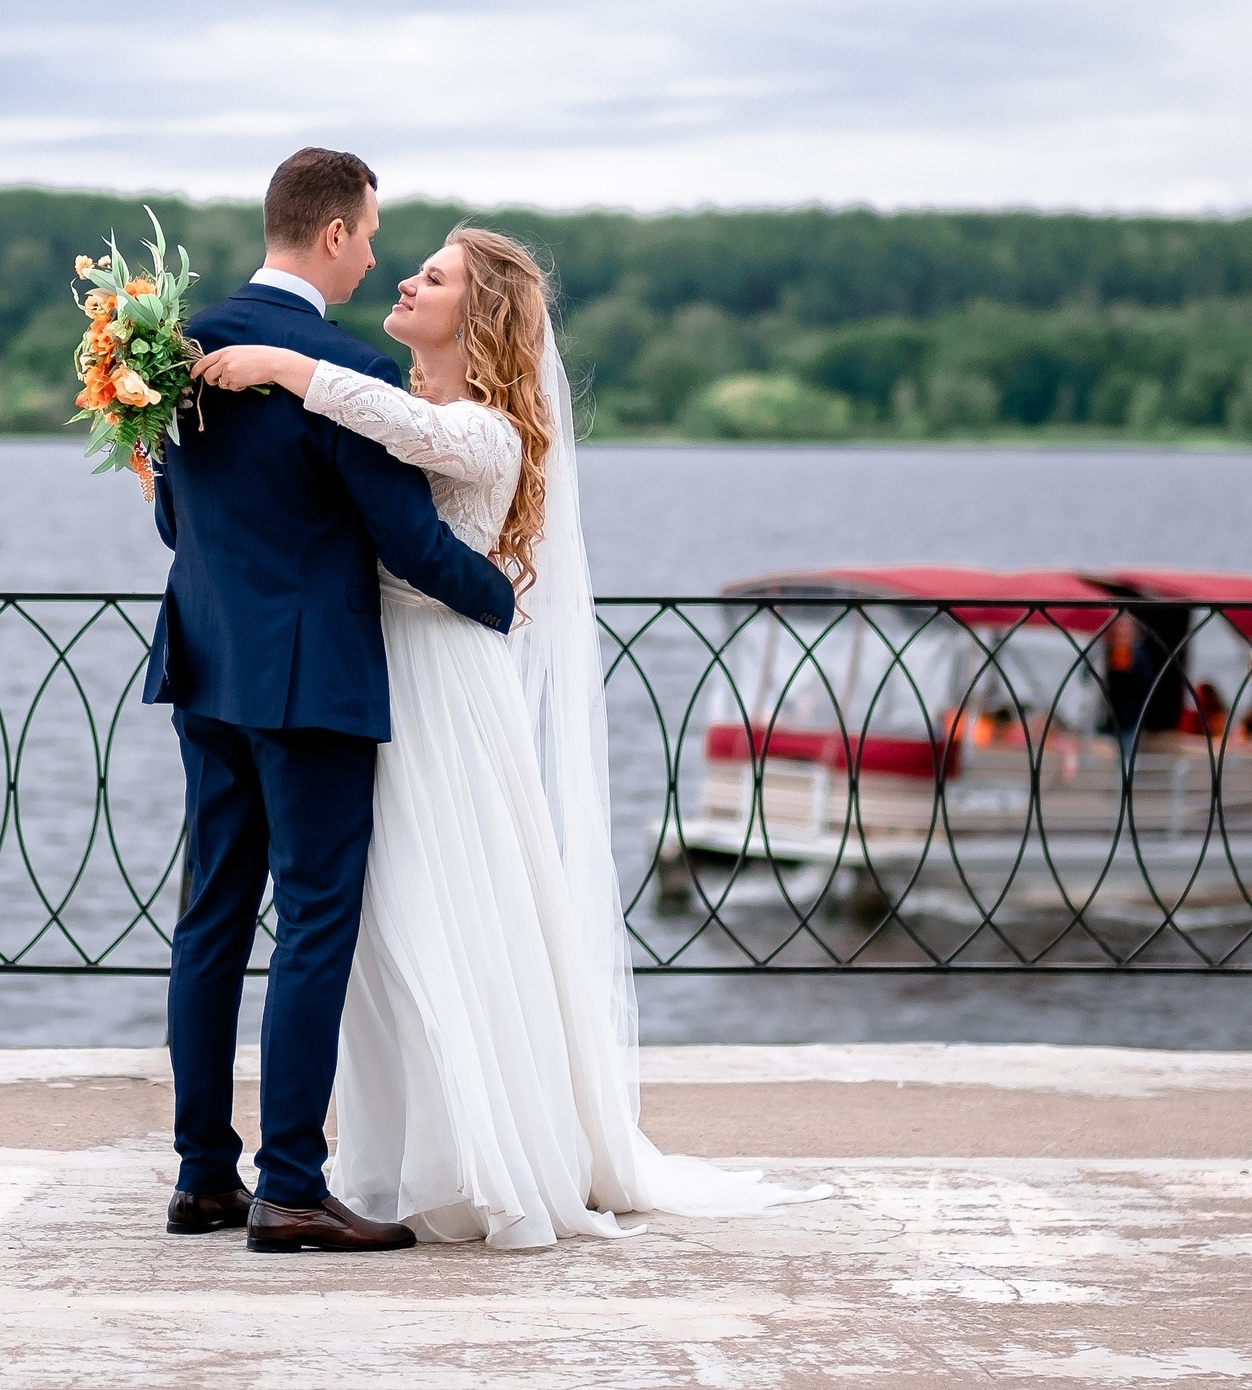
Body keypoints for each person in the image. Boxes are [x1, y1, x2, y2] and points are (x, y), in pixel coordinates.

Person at [196, 222, 825, 1248]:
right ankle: (394, 1156)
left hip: (437, 683)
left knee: (439, 912)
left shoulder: (482, 429)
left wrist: (282, 362)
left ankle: (479, 1152)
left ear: (474, 316)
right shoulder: (408, 410)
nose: (406, 277)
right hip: (370, 672)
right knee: (377, 932)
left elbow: (391, 423)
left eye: (433, 276)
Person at [145, 148, 516, 1254]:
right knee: (314, 922)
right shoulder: (337, 365)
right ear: (339, 232)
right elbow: (405, 538)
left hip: (206, 667)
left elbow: (179, 524)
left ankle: (205, 1175)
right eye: (373, 233)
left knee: (210, 919)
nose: (379, 258)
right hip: (311, 681)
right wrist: (504, 599)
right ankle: (293, 1183)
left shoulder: (180, 347)